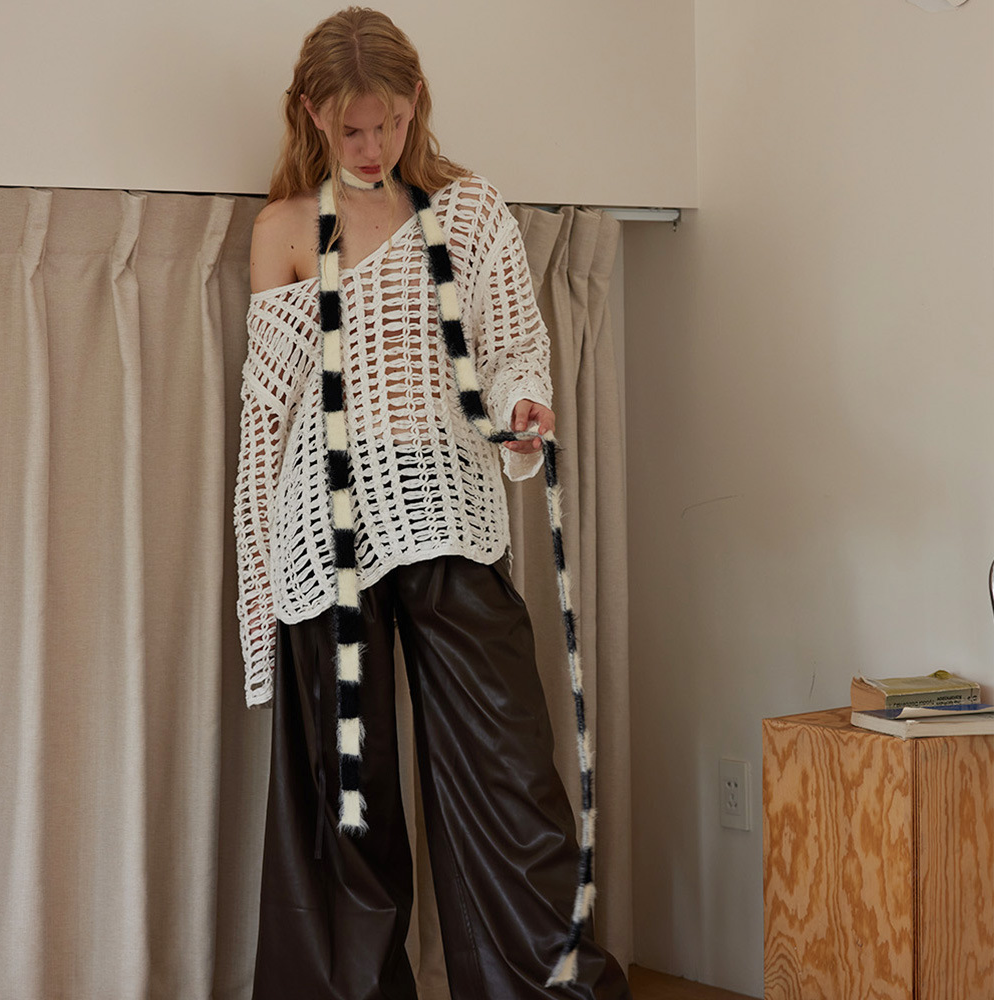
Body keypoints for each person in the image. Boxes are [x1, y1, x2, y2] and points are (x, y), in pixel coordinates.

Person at [235, 8, 631, 999]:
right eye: (352, 128)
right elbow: (265, 428)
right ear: (313, 114)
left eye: (392, 123)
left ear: (417, 105)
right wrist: (258, 602)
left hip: (447, 511)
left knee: (511, 781)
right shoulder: (284, 230)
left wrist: (523, 409)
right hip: (323, 538)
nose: (373, 146)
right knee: (348, 809)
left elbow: (512, 351)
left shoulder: (469, 212)